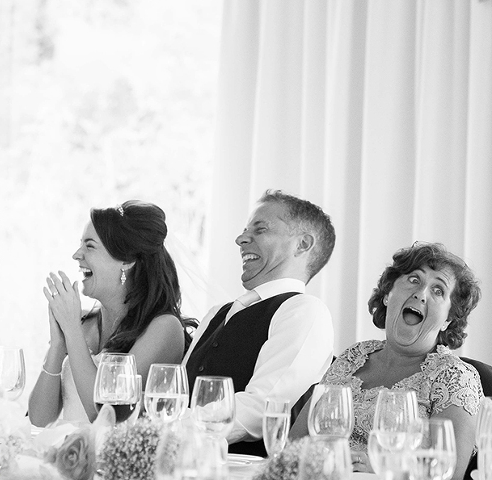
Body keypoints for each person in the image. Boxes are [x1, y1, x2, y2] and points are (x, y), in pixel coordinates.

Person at [289, 242, 483, 480]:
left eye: (438, 290)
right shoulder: (353, 356)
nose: (421, 294)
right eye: (414, 279)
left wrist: (380, 468)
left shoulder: (455, 377)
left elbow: (449, 473)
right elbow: (294, 444)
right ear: (387, 295)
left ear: (448, 320)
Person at [183, 189, 336, 456]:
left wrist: (172, 431)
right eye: (245, 231)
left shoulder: (305, 311)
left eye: (260, 229)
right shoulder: (217, 313)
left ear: (302, 244)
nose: (241, 239)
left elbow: (262, 406)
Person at [28, 200, 196, 426]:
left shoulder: (164, 328)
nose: (77, 255)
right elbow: (39, 420)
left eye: (90, 246)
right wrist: (58, 345)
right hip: (64, 446)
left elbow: (106, 416)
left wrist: (72, 331)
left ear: (126, 261)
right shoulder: (83, 323)